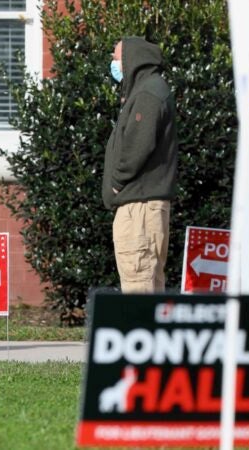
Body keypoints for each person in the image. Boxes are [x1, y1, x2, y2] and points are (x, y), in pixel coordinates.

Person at [102, 37, 178, 293]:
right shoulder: (147, 90)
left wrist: (116, 183)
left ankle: (140, 333)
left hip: (139, 210)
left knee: (138, 288)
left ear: (131, 59)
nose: (113, 63)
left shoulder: (147, 93)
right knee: (149, 286)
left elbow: (137, 146)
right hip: (143, 208)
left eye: (115, 57)